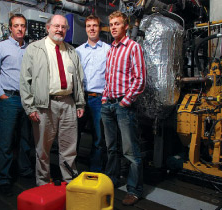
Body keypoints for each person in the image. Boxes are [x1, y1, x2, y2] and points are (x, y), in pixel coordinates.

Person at [20, 14, 85, 186]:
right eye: (56, 26)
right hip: (44, 104)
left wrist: (80, 102)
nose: (60, 30)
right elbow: (25, 80)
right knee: (43, 149)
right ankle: (42, 184)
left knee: (69, 148)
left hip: (68, 103)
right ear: (48, 27)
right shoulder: (35, 49)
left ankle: (69, 181)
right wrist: (30, 107)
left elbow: (78, 79)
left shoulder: (71, 51)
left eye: (63, 27)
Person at [101, 11, 146, 206]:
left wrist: (124, 102)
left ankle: (134, 191)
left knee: (130, 152)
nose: (113, 27)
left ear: (125, 26)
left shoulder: (133, 47)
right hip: (108, 104)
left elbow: (140, 79)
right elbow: (109, 78)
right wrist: (104, 98)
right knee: (111, 148)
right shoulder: (111, 49)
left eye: (117, 24)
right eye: (111, 24)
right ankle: (111, 180)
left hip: (123, 106)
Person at [0, 14, 33, 196]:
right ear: (10, 28)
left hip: (27, 100)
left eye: (22, 26)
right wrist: (2, 95)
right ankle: (3, 178)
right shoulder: (0, 47)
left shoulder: (30, 49)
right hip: (10, 99)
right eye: (16, 26)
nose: (20, 29)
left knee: (25, 140)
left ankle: (25, 170)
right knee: (5, 142)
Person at [76, 15, 110, 172]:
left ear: (99, 28)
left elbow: (111, 75)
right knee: (75, 134)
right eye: (89, 26)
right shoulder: (78, 51)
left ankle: (95, 171)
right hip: (81, 98)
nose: (92, 28)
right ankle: (71, 169)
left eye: (95, 25)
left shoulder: (108, 50)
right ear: (85, 29)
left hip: (99, 99)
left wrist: (106, 97)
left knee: (98, 138)